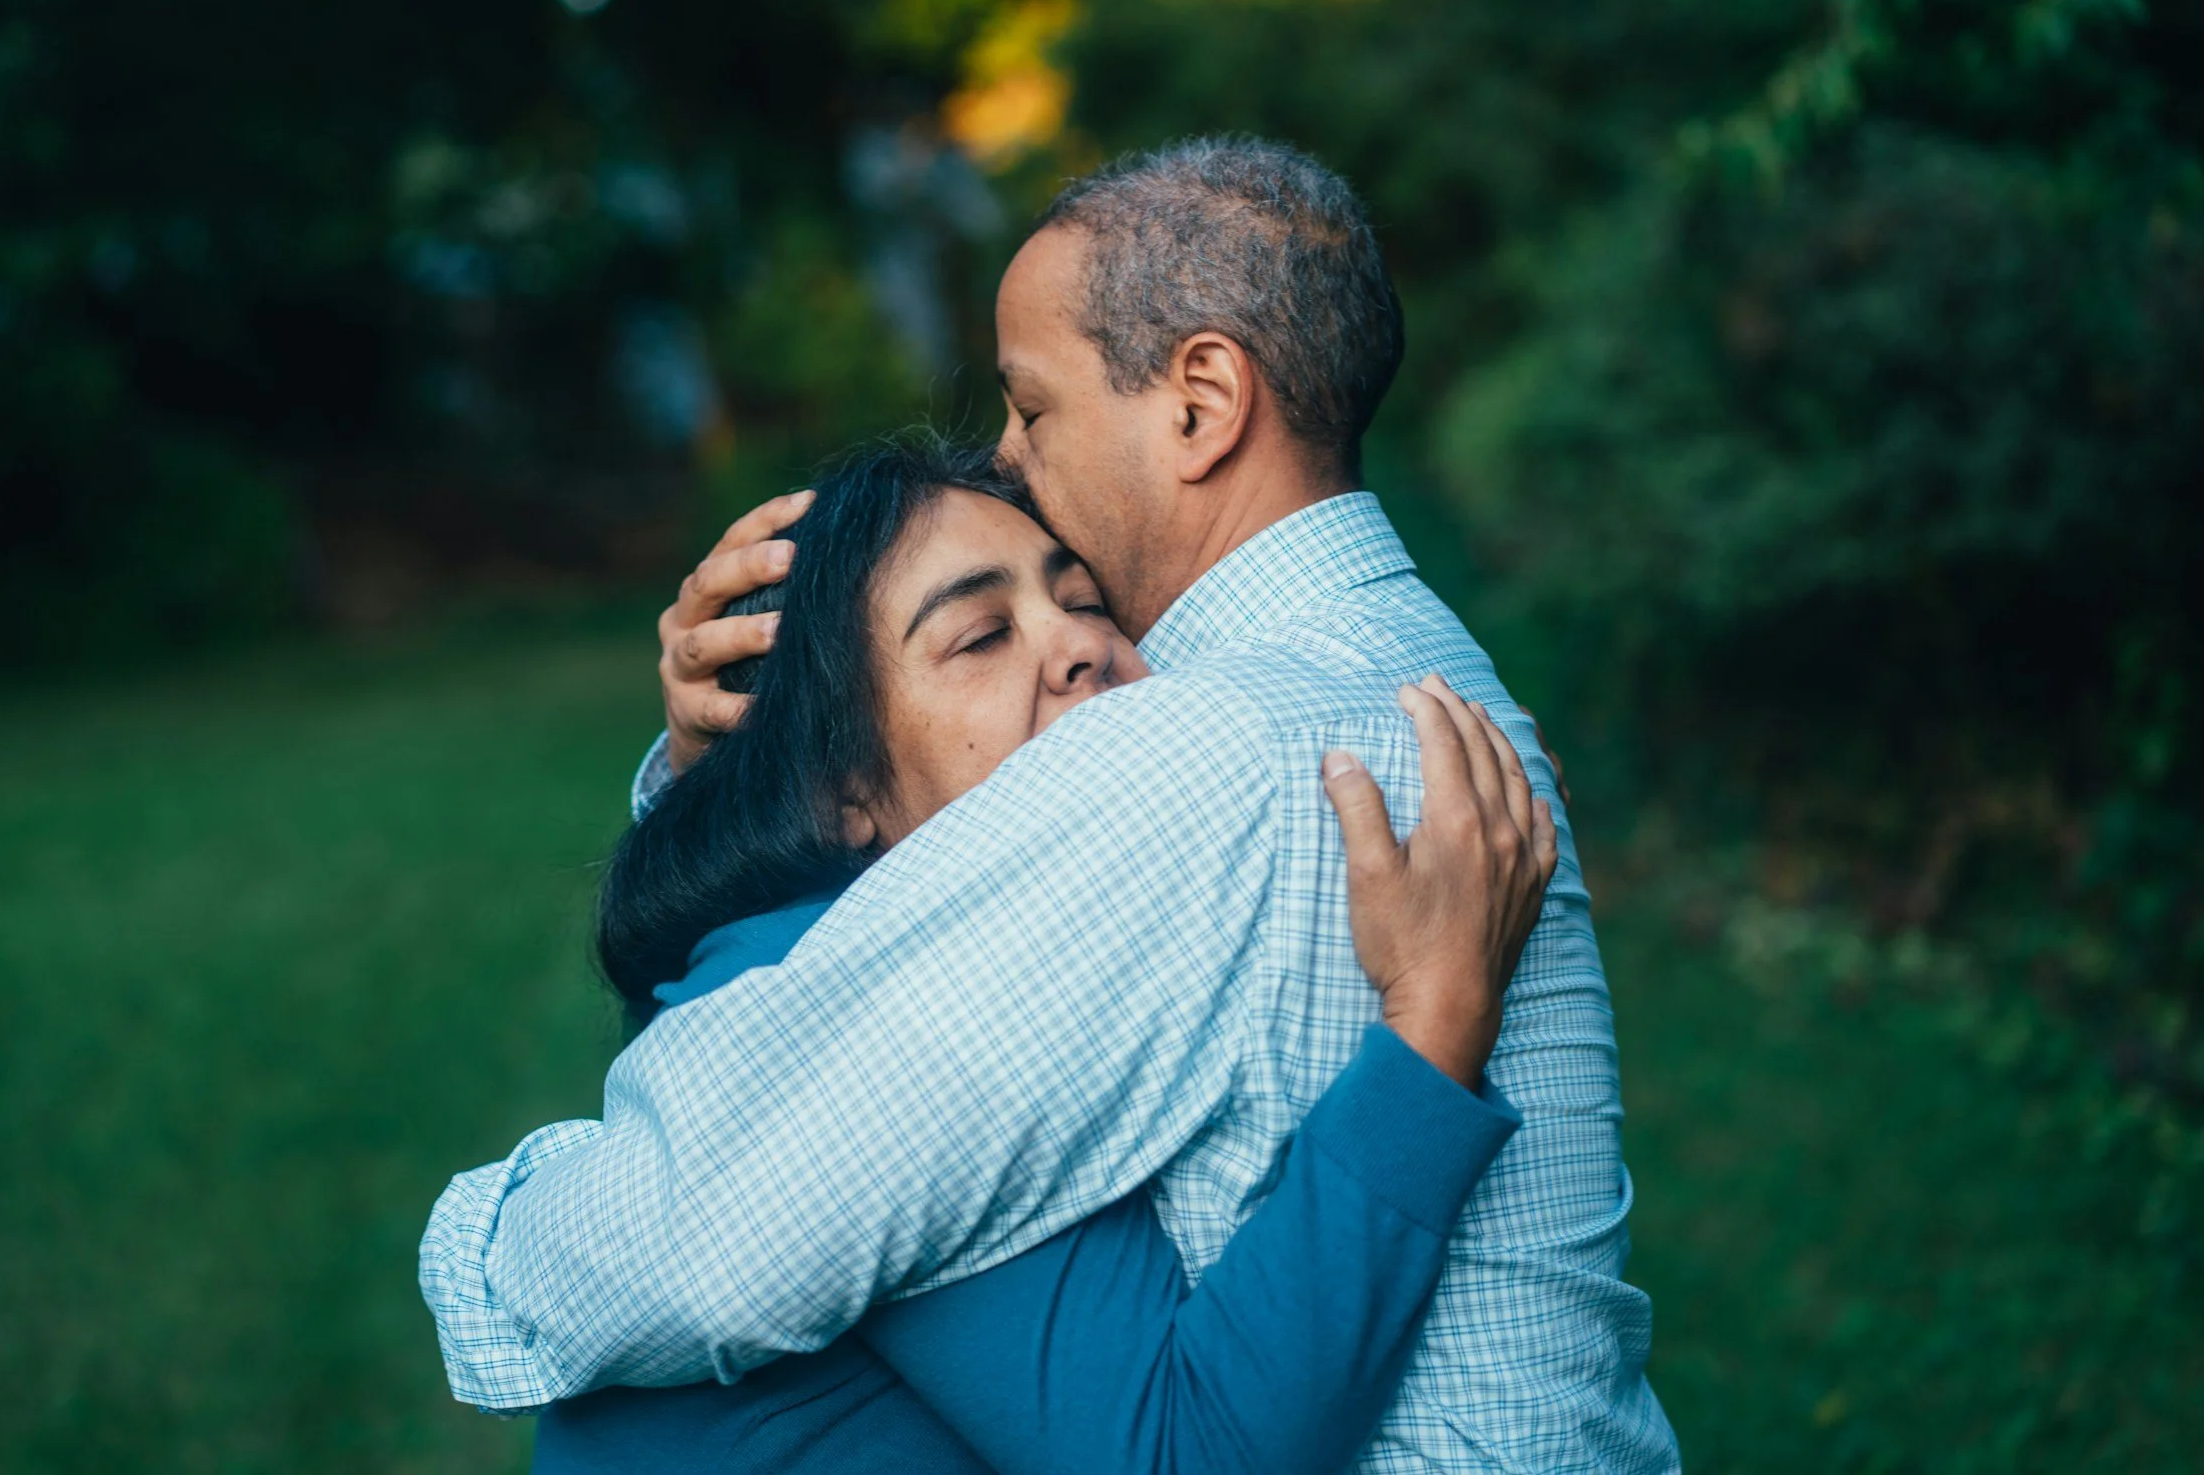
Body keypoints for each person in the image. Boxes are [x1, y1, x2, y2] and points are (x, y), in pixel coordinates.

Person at [424, 136, 1679, 1470]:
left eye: (1033, 408)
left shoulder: (1200, 744)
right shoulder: (1420, 674)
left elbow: (709, 1234)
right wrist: (732, 762)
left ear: (1202, 401)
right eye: (980, 633)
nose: (1012, 460)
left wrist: (488, 1238)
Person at [532, 440, 1553, 1471]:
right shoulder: (892, 1026)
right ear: (840, 792)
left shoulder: (898, 933)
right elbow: (1185, 1451)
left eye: (1087, 601)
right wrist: (1435, 1020)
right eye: (980, 636)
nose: (1077, 645)